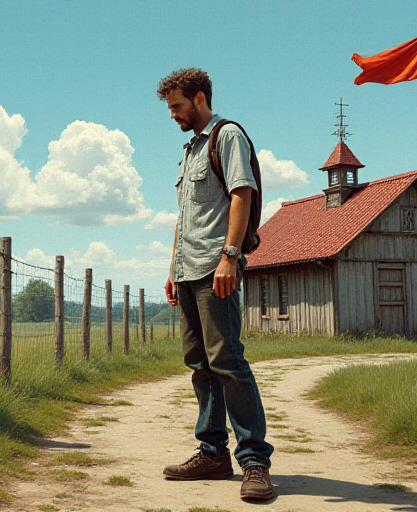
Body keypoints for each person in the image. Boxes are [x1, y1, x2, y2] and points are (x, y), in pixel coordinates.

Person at [156, 68, 274, 500]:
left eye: (177, 107)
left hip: (215, 266)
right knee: (199, 364)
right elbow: (184, 216)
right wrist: (173, 268)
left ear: (200, 98)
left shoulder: (227, 136)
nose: (172, 115)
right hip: (188, 270)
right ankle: (212, 454)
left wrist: (231, 256)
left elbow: (241, 193)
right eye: (170, 108)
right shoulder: (190, 150)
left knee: (227, 360)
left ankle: (255, 462)